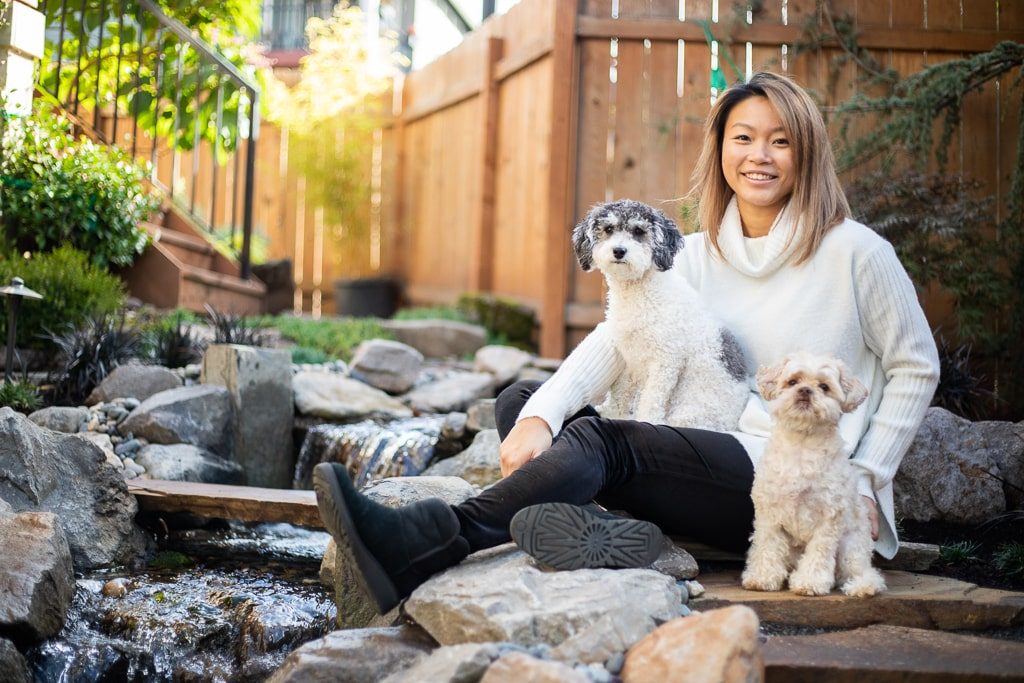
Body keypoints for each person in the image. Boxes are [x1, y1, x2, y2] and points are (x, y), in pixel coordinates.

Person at [312, 71, 940, 615]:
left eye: (782, 141)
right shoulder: (694, 255)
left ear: (807, 154)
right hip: (700, 452)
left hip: (789, 481)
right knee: (525, 402)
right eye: (744, 138)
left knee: (606, 440)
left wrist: (867, 476)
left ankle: (429, 539)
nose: (761, 156)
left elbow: (916, 365)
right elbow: (619, 338)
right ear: (721, 149)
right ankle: (629, 535)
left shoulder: (857, 253)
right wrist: (539, 414)